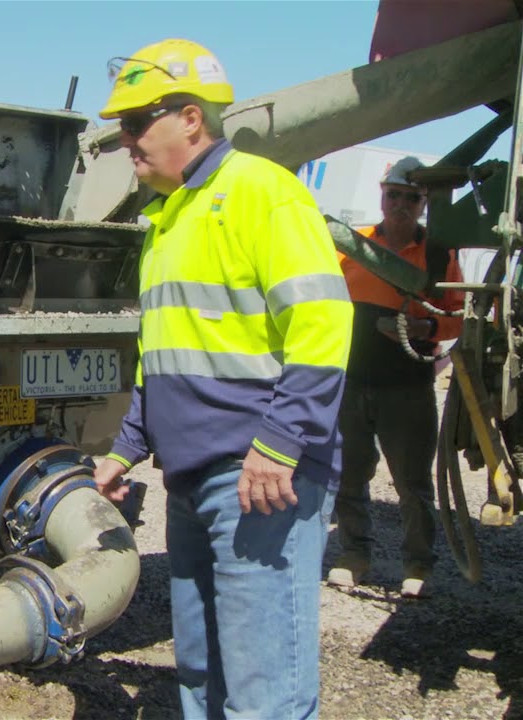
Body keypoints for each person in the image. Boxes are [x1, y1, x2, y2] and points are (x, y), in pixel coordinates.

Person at [91, 39, 353, 719]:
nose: (124, 142)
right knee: (202, 673)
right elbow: (165, 354)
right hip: (191, 477)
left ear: (190, 118)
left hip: (257, 478)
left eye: (135, 123)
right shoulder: (166, 221)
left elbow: (323, 325)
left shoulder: (263, 192)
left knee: (263, 692)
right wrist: (125, 449)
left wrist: (280, 444)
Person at [328, 157, 464, 599]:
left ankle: (418, 564)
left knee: (412, 483)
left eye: (412, 198)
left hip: (407, 385)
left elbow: (457, 315)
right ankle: (354, 556)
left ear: (424, 204)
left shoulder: (439, 254)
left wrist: (423, 327)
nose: (401, 204)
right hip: (351, 380)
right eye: (394, 195)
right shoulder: (354, 245)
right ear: (382, 196)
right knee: (349, 475)